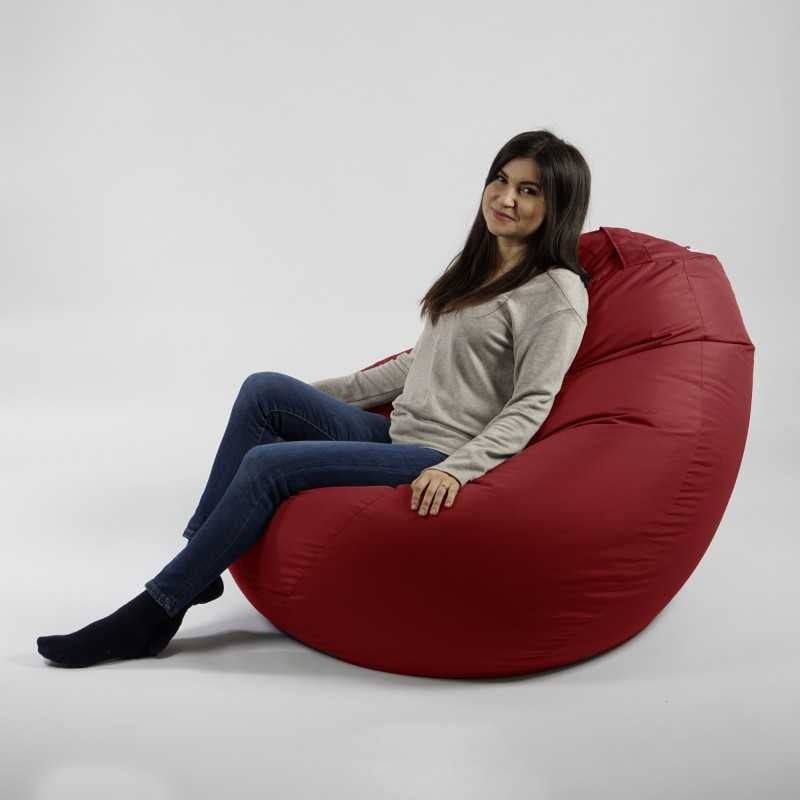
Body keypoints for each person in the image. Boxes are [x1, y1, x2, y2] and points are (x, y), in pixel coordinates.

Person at [36, 129, 592, 668]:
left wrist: (457, 469)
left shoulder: (555, 294)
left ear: (558, 206)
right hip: (397, 431)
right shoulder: (479, 265)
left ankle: (155, 610)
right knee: (264, 390)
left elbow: (531, 403)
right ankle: (197, 565)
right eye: (501, 180)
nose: (505, 198)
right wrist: (310, 396)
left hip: (439, 453)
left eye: (528, 190)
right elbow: (417, 364)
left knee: (267, 465)